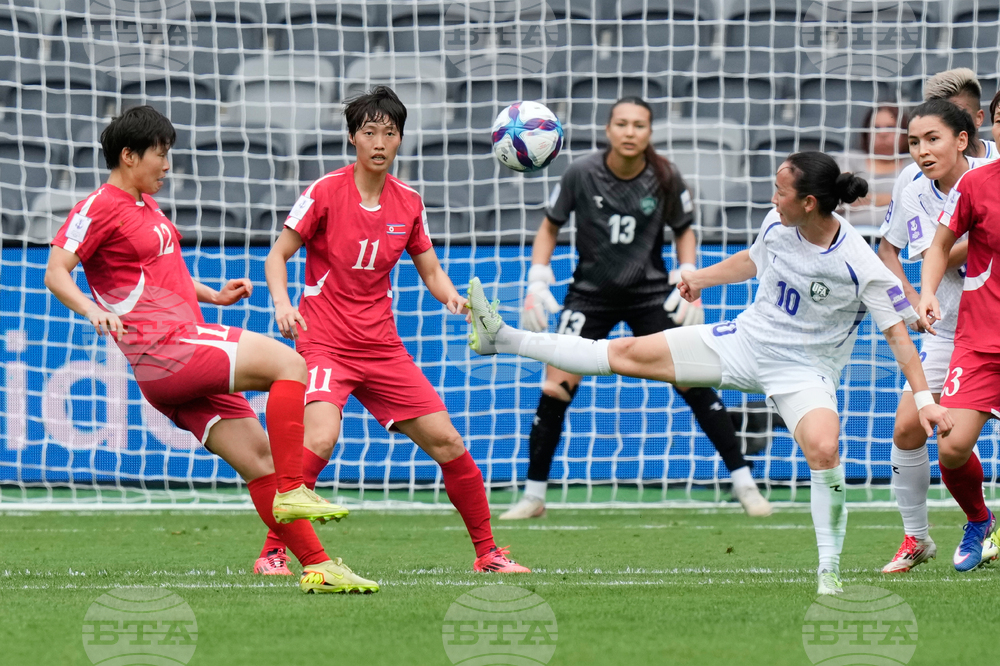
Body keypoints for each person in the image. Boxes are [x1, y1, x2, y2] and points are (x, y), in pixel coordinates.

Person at [467, 151, 954, 595]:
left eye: (780, 191)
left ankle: (829, 570)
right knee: (625, 352)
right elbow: (752, 260)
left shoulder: (859, 263)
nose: (772, 197)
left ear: (808, 202)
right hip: (742, 344)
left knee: (825, 448)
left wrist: (926, 396)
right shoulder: (776, 224)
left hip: (805, 372)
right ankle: (503, 338)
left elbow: (898, 338)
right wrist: (699, 277)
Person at [43, 105, 377, 594]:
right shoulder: (98, 206)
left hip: (168, 365)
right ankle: (294, 488)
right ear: (129, 155)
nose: (167, 164)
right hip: (168, 348)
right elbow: (55, 272)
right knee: (291, 362)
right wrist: (92, 310)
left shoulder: (144, 205)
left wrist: (211, 294)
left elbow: (158, 276)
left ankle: (318, 566)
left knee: (258, 461)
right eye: (160, 154)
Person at [262, 86, 530, 574]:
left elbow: (430, 271)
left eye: (390, 132)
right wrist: (282, 303)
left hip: (382, 347)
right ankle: (273, 553)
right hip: (324, 341)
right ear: (353, 139)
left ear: (401, 139)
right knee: (320, 439)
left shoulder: (408, 203)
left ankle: (489, 553)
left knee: (448, 442)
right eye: (370, 132)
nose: (380, 142)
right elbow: (277, 255)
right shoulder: (323, 192)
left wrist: (452, 297)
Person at [502, 96, 771, 520]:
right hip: (589, 295)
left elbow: (685, 230)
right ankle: (533, 496)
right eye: (622, 124)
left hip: (649, 293)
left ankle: (744, 484)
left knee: (694, 381)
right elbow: (548, 228)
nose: (630, 132)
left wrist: (688, 270)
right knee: (555, 387)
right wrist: (537, 277)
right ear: (608, 130)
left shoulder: (665, 175)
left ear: (649, 132)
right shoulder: (580, 173)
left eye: (639, 125)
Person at [879, 100, 998, 573]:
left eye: (932, 139)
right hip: (956, 329)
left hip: (979, 316)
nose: (922, 151)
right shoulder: (913, 187)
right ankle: (919, 537)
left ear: (963, 139)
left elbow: (945, 246)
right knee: (913, 427)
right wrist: (913, 294)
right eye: (913, 142)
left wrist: (943, 249)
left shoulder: (984, 177)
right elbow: (896, 249)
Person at [917, 146, 1000, 573]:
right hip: (980, 341)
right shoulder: (975, 183)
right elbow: (940, 244)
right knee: (950, 446)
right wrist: (927, 291)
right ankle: (980, 520)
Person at [878, 68, 997, 308]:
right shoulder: (913, 178)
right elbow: (888, 250)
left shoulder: (995, 164)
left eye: (959, 114)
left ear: (978, 118)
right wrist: (911, 301)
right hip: (945, 320)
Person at [838, 105, 910, 229]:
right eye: (876, 127)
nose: (883, 133)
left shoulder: (914, 165)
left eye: (890, 127)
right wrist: (893, 198)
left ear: (904, 133)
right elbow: (840, 201)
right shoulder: (848, 160)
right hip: (850, 237)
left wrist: (864, 200)